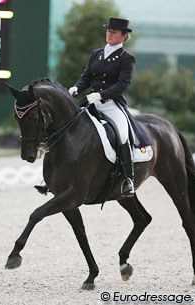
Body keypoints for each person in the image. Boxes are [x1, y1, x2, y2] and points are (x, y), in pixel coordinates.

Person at [69, 17, 135, 197]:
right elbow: (86, 77)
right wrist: (76, 87)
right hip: (91, 103)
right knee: (68, 128)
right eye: (108, 31)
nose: (109, 34)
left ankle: (128, 179)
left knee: (122, 135)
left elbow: (123, 84)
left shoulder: (126, 58)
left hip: (112, 105)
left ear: (123, 36)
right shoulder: (96, 54)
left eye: (114, 32)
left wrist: (101, 95)